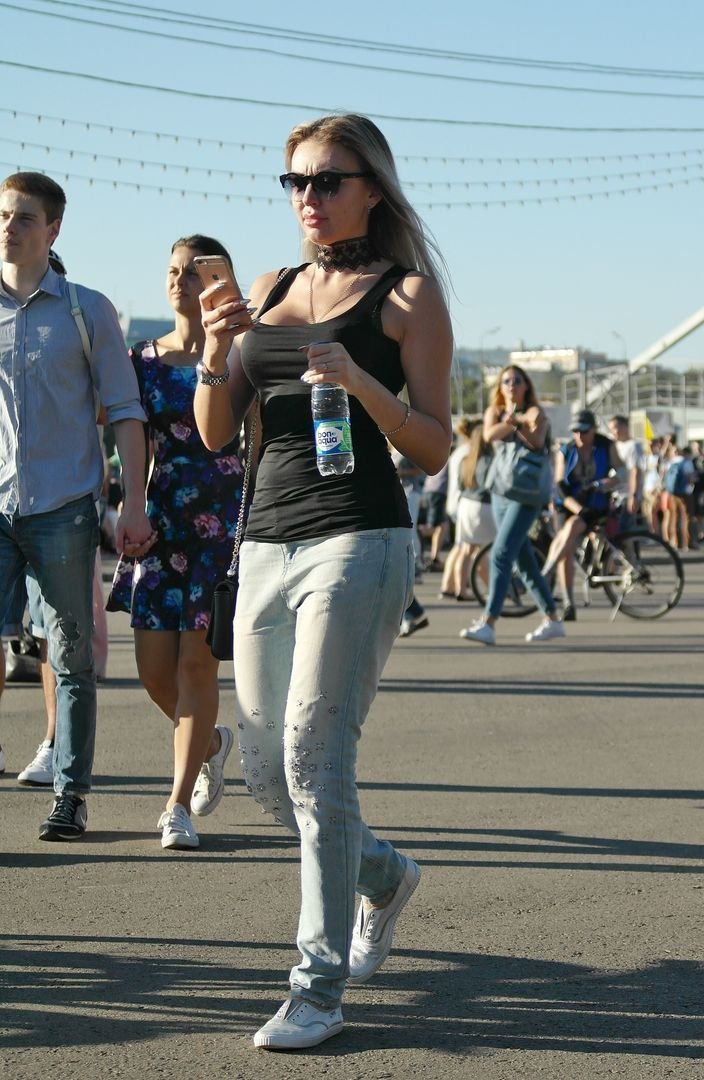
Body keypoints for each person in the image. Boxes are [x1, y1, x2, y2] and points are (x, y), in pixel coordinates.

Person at [194, 113, 452, 1050]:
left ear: (372, 190)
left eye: (328, 179)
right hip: (265, 541)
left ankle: (317, 989)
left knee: (315, 760)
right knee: (269, 773)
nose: (309, 196)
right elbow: (217, 433)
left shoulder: (406, 295)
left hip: (358, 537)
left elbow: (434, 446)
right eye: (296, 181)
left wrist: (362, 384)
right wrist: (211, 350)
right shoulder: (271, 286)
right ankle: (384, 875)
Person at [0, 171, 154, 841]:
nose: (9, 227)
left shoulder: (86, 311)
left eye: (24, 217)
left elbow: (125, 411)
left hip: (63, 507)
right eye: (2, 215)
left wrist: (133, 503)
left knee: (71, 658)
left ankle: (71, 793)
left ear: (53, 228)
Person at [107, 236, 244, 851]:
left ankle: (177, 805)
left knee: (196, 664)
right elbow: (132, 439)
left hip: (225, 522)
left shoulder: (242, 352)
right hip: (162, 521)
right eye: (172, 270)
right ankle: (212, 742)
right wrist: (130, 502)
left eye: (194, 272)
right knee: (153, 671)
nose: (180, 280)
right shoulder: (142, 359)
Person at [459, 364, 563, 645]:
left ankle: (488, 622)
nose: (512, 385)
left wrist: (517, 421)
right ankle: (553, 618)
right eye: (506, 381)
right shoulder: (495, 411)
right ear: (500, 386)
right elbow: (489, 434)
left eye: (517, 380)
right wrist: (514, 421)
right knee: (523, 559)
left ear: (526, 385)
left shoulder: (535, 411)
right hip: (501, 491)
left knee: (501, 553)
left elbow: (537, 440)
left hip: (526, 493)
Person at [541, 409, 621, 620]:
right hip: (568, 504)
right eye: (575, 431)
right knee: (567, 546)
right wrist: (576, 507)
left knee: (573, 527)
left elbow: (621, 472)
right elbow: (560, 487)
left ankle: (546, 572)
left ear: (594, 429)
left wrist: (606, 483)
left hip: (595, 503)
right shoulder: (566, 450)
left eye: (584, 431)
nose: (579, 436)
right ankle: (568, 601)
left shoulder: (606, 446)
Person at [439, 416, 479, 601]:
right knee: (467, 548)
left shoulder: (458, 451)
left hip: (454, 501)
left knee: (460, 546)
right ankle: (460, 588)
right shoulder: (470, 451)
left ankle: (448, 585)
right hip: (464, 502)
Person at [607, 414, 644, 525]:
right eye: (610, 429)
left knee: (623, 529)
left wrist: (633, 496)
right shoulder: (614, 445)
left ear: (625, 427)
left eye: (615, 427)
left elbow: (635, 471)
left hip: (627, 496)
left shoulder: (633, 445)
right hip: (616, 496)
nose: (613, 432)